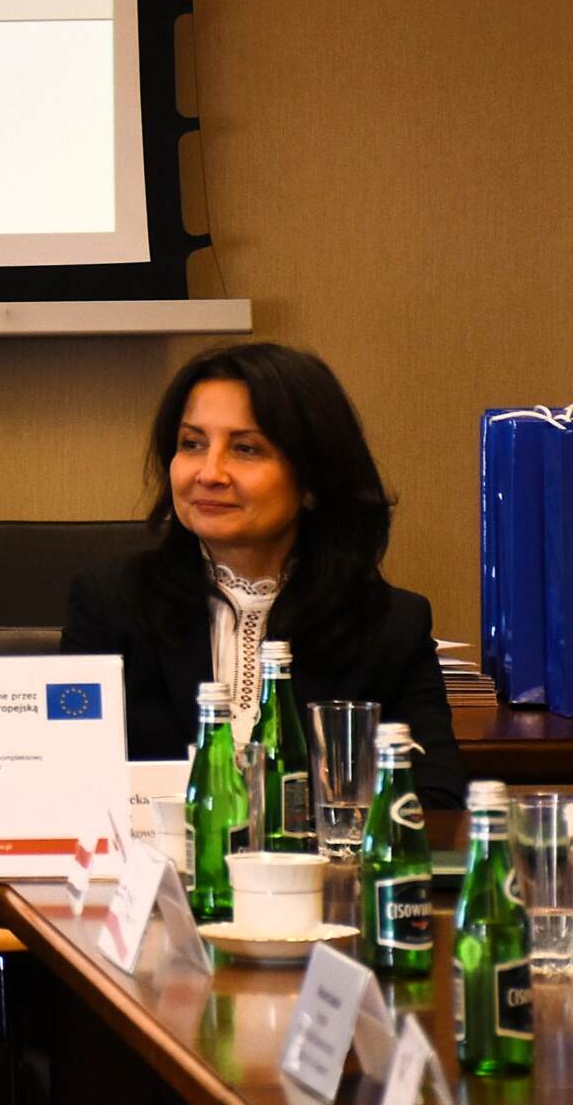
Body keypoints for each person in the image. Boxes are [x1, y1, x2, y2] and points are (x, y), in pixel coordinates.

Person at [60, 340, 463, 806]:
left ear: (313, 481)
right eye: (192, 444)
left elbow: (434, 800)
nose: (209, 473)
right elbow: (67, 783)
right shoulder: (110, 602)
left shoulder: (389, 624)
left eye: (246, 448)